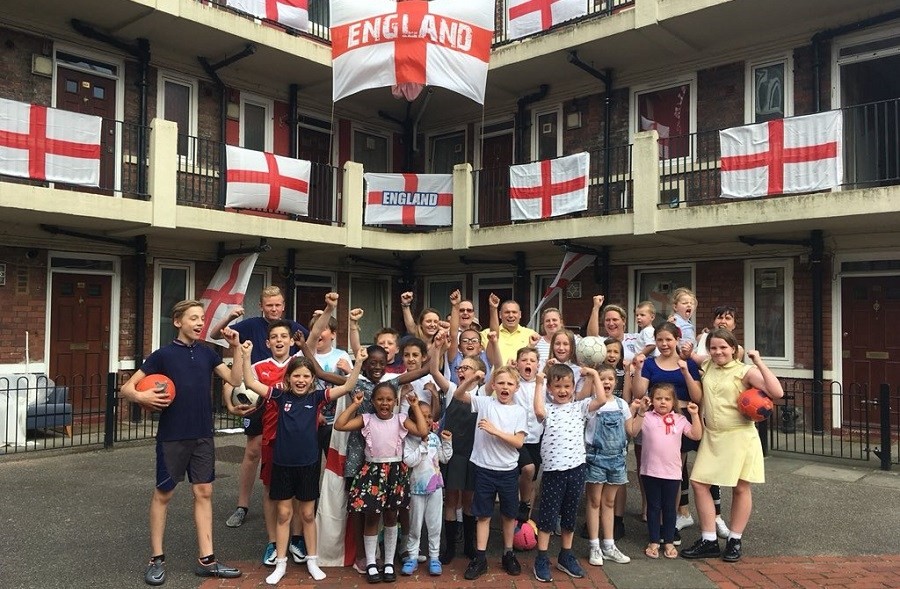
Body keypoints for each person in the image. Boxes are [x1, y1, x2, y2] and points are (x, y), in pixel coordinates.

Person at [120, 300, 244, 586]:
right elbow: (127, 388)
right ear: (178, 322)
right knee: (164, 493)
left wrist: (235, 348)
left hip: (202, 434)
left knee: (204, 492)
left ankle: (207, 560)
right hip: (173, 435)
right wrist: (142, 397)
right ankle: (157, 559)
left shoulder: (208, 353)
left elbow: (235, 379)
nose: (200, 323)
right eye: (194, 318)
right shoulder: (162, 355)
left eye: (202, 318)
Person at [241, 341, 366, 584]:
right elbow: (251, 383)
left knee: (308, 514)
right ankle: (280, 563)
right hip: (283, 465)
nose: (301, 380)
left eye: (306, 376)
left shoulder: (319, 397)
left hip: (308, 465)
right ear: (288, 379)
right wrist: (246, 356)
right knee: (284, 513)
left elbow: (349, 384)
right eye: (296, 375)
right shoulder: (278, 395)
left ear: (312, 379)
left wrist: (358, 362)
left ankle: (312, 559)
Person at [209, 285, 308, 531]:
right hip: (256, 396)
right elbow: (214, 333)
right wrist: (231, 317)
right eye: (269, 305)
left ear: (283, 306)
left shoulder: (293, 328)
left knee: (287, 453)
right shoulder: (250, 325)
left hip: (286, 399)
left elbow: (312, 343)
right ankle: (242, 506)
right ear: (261, 306)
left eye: (278, 305)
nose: (274, 309)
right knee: (253, 451)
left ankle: (288, 507)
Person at [681, 330, 783, 563]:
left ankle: (735, 539)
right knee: (699, 483)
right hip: (713, 436)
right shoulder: (707, 365)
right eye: (713, 348)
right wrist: (687, 352)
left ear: (733, 349)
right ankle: (709, 540)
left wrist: (758, 360)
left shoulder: (745, 371)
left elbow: (777, 392)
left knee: (740, 487)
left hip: (739, 437)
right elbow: (693, 357)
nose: (718, 352)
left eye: (723, 348)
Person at [334, 383, 429, 584]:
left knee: (391, 516)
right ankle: (370, 563)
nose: (384, 403)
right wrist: (354, 405)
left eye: (388, 399)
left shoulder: (401, 420)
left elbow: (422, 430)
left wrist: (414, 407)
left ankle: (388, 563)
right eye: (380, 399)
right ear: (373, 401)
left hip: (395, 472)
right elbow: (340, 425)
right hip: (373, 473)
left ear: (395, 402)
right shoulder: (366, 419)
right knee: (371, 518)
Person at [531, 364, 606, 582]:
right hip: (554, 471)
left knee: (570, 514)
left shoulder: (579, 407)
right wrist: (538, 382)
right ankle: (542, 557)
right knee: (547, 515)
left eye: (567, 386)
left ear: (574, 387)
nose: (562, 390)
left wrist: (593, 375)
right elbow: (537, 410)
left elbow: (600, 399)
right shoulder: (547, 408)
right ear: (550, 389)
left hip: (576, 469)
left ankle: (565, 554)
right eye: (557, 386)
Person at [453, 365, 527, 580]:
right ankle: (480, 558)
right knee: (483, 515)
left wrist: (495, 431)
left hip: (508, 471)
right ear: (493, 385)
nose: (505, 387)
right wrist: (472, 379)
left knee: (508, 514)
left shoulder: (519, 411)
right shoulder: (485, 402)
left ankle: (508, 553)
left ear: (516, 387)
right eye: (501, 383)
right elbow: (459, 395)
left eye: (509, 384)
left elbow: (518, 442)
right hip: (484, 469)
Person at [427, 332, 486, 564]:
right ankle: (450, 547)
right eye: (460, 367)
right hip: (452, 454)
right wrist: (437, 348)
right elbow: (433, 370)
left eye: (467, 368)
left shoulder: (483, 395)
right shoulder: (451, 389)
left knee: (469, 501)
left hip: (473, 454)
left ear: (479, 374)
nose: (461, 370)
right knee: (451, 500)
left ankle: (470, 546)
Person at [627, 383, 702, 559]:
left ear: (673, 401)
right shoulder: (647, 417)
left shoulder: (680, 419)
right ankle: (654, 540)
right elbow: (632, 430)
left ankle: (668, 540)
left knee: (670, 508)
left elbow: (696, 435)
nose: (663, 402)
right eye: (658, 398)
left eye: (667, 399)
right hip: (650, 471)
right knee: (653, 507)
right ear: (652, 400)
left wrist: (695, 415)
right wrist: (639, 411)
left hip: (672, 473)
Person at [583, 363, 640, 567]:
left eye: (610, 379)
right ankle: (594, 545)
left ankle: (609, 544)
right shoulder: (591, 404)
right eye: (602, 378)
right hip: (596, 457)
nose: (606, 382)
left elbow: (631, 431)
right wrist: (589, 375)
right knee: (594, 502)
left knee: (609, 503)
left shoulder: (622, 404)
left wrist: (640, 413)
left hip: (617, 458)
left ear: (615, 382)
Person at [400, 401, 453, 576]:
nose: (428, 419)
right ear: (413, 419)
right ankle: (413, 557)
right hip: (416, 489)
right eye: (423, 416)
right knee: (415, 526)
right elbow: (409, 461)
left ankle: (434, 557)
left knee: (434, 525)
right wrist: (422, 445)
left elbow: (444, 458)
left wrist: (447, 443)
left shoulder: (434, 438)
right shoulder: (408, 439)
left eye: (429, 416)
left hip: (436, 487)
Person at [480, 294, 539, 365]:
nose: (511, 315)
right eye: (507, 312)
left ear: (520, 314)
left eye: (514, 312)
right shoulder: (486, 334)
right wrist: (493, 309)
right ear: (500, 315)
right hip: (495, 375)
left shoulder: (530, 334)